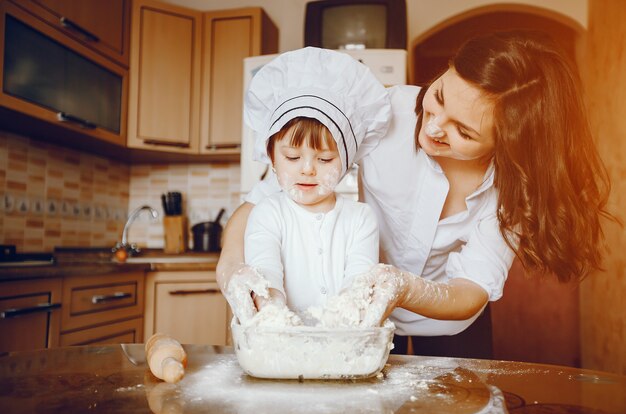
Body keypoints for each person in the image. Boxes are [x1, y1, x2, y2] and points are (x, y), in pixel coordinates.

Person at [218, 31, 614, 358]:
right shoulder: (382, 114)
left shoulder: (514, 188)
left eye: (464, 131)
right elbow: (262, 201)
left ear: (507, 144)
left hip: (450, 322)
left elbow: (471, 289)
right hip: (359, 322)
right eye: (439, 96)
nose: (434, 126)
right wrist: (235, 267)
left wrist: (403, 287)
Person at [223, 47, 391, 322]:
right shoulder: (267, 213)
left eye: (325, 158)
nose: (308, 169)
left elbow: (358, 285)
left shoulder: (361, 218)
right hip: (279, 350)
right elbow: (266, 275)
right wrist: (271, 312)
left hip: (343, 351)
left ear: (346, 162)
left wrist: (344, 319)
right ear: (272, 158)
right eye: (292, 156)